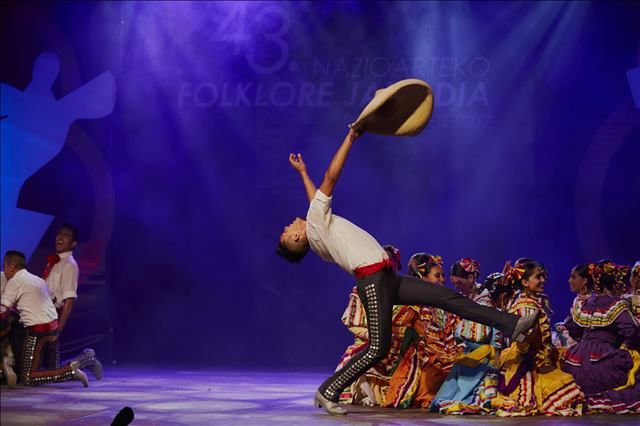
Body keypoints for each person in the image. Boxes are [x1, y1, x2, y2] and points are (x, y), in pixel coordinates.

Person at [277, 127, 539, 415]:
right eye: (287, 231)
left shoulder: (316, 230)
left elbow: (316, 196)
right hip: (374, 282)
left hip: (387, 278)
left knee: (445, 297)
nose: (289, 224)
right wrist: (349, 140)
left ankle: (511, 325)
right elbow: (330, 179)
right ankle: (329, 390)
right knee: (378, 346)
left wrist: (302, 172)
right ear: (296, 239)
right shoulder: (315, 224)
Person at [491, 259, 584, 416]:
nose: (543, 280)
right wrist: (533, 354)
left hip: (537, 355)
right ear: (526, 282)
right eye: (538, 277)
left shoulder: (535, 301)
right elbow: (521, 338)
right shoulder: (525, 306)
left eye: (542, 276)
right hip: (527, 358)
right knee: (565, 383)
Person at [0, 250, 100, 387]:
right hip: (53, 327)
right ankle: (86, 358)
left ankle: (70, 371)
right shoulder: (38, 279)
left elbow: (2, 311)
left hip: (38, 331)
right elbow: (54, 299)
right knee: (37, 370)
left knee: (28, 378)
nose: (3, 270)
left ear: (11, 267)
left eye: (4, 266)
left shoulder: (14, 282)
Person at [383, 253, 462, 409]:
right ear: (423, 278)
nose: (442, 280)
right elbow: (397, 327)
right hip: (425, 354)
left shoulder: (445, 303)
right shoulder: (414, 304)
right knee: (434, 373)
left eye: (443, 275)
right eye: (437, 275)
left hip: (446, 351)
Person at [561, 260, 640, 414]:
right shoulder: (617, 304)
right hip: (604, 358)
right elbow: (631, 329)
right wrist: (625, 347)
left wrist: (583, 341)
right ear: (615, 283)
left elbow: (571, 325)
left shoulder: (587, 302)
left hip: (577, 362)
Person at [430, 258, 503, 414]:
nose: (457, 288)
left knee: (459, 401)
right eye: (455, 284)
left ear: (471, 278)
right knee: (439, 401)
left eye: (459, 284)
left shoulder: (485, 303)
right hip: (466, 355)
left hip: (482, 358)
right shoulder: (466, 300)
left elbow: (486, 335)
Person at [41, 224, 103, 379]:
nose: (60, 237)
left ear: (74, 243)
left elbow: (69, 301)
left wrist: (58, 329)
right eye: (59, 234)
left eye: (66, 235)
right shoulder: (53, 262)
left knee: (52, 374)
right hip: (42, 315)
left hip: (53, 318)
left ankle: (86, 358)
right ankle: (86, 359)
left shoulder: (69, 265)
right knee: (49, 369)